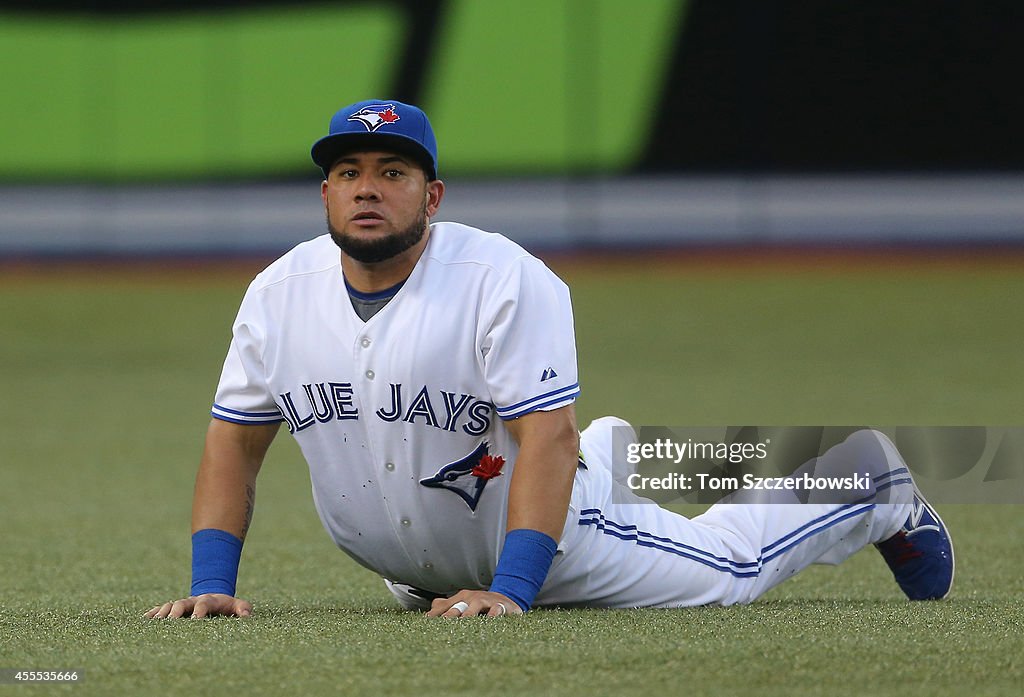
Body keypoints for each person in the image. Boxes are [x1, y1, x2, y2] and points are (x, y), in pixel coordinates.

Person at [145, 99, 953, 620]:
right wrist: (213, 578)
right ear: (323, 194)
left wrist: (512, 589)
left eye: (393, 172)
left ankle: (865, 480)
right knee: (571, 446)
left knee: (729, 567)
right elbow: (234, 440)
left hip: (552, 537)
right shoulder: (277, 292)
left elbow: (544, 436)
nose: (367, 189)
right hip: (425, 563)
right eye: (348, 173)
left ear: (432, 198)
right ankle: (615, 452)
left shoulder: (501, 277)